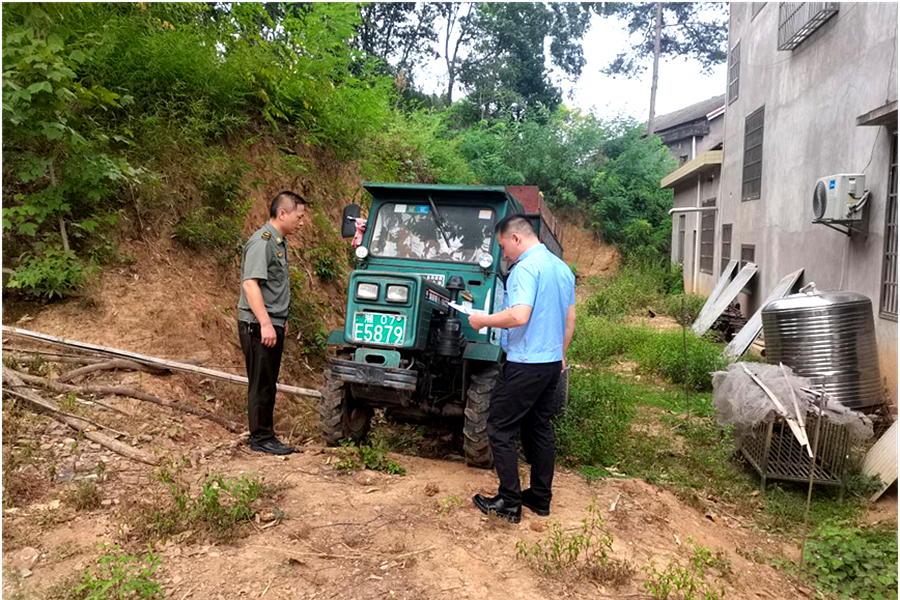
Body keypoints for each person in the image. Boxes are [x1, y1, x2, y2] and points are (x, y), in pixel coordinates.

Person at [467, 215, 576, 523]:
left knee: (499, 428)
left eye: (503, 247)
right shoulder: (561, 268)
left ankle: (509, 502)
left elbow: (519, 316)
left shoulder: (525, 268)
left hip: (525, 364)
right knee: (538, 427)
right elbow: (570, 320)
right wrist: (561, 355)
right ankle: (540, 498)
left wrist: (482, 319)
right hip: (551, 363)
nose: (504, 255)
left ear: (515, 238)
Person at [237, 191, 308, 455]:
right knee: (261, 382)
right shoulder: (263, 242)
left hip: (271, 322)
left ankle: (266, 434)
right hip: (257, 326)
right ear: (283, 214)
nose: (301, 223)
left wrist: (280, 319)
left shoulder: (278, 242)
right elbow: (250, 283)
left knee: (268, 381)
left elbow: (272, 287)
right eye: (299, 217)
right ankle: (260, 438)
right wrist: (266, 323)